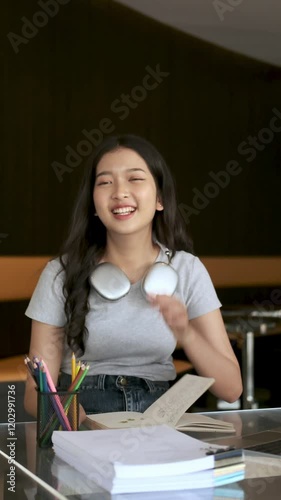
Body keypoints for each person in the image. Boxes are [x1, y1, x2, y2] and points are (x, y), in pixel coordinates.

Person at [24, 134, 242, 423]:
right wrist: (80, 423)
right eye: (105, 182)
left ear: (160, 199)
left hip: (161, 419)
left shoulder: (188, 269)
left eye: (135, 179)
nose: (119, 192)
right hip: (82, 417)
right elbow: (34, 393)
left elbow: (231, 389)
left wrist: (185, 332)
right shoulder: (61, 273)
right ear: (93, 203)